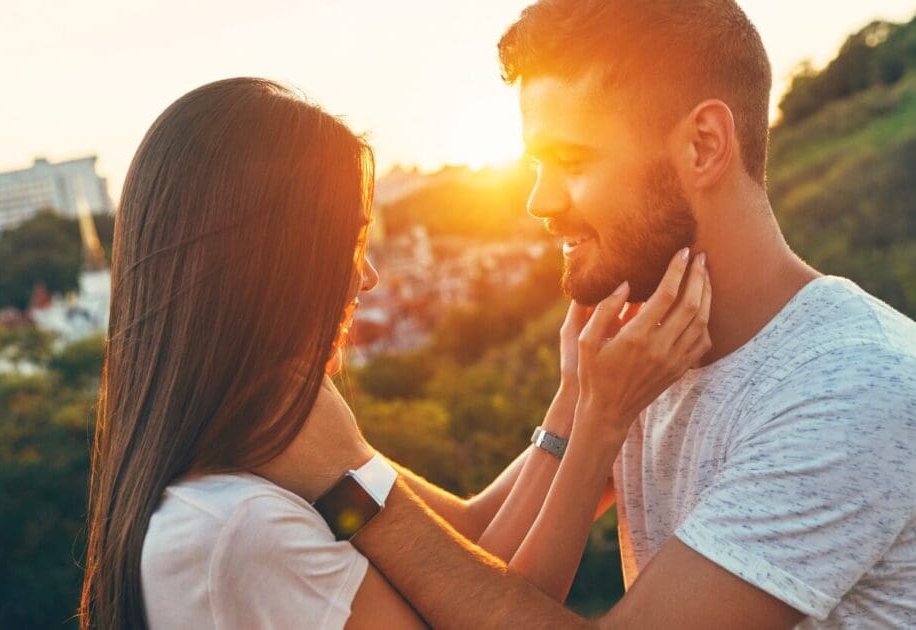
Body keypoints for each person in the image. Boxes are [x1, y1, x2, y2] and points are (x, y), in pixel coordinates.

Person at [283, 1, 916, 628]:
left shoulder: (851, 386)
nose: (540, 200)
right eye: (537, 163)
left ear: (703, 146)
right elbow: (475, 543)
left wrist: (343, 481)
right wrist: (300, 440)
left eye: (573, 161)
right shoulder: (649, 352)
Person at [77, 77, 712, 629]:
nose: (369, 278)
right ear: (270, 264)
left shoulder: (282, 442)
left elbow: (469, 542)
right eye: (352, 244)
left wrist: (574, 399)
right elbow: (492, 610)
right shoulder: (241, 529)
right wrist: (601, 423)